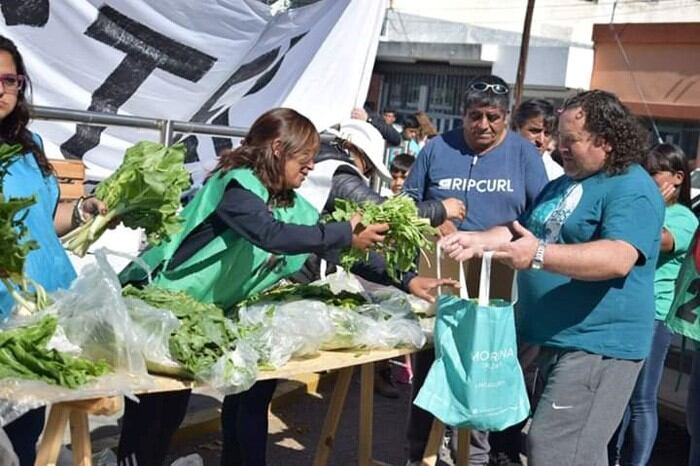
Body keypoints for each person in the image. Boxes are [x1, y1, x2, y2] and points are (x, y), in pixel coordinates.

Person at [117, 108, 389, 466]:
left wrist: (409, 280)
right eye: (304, 158)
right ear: (278, 148)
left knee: (168, 416)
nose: (311, 167)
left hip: (188, 320)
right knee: (149, 423)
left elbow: (330, 240)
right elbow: (270, 234)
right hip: (157, 309)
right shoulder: (237, 184)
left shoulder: (286, 202)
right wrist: (342, 232)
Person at [441, 89, 665, 466]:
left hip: (597, 344)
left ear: (605, 142)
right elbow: (525, 233)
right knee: (570, 452)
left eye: (570, 140)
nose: (558, 147)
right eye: (557, 137)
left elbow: (617, 257)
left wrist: (540, 256)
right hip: (558, 341)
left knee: (553, 449)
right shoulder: (567, 181)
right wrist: (480, 240)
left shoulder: (632, 188)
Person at [402, 75, 547, 466]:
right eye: (474, 116)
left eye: (493, 117)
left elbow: (543, 217)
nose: (483, 125)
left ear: (507, 117)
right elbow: (403, 205)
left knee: (483, 374)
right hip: (441, 278)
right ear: (462, 115)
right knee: (434, 373)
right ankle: (420, 456)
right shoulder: (436, 148)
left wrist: (491, 240)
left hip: (498, 282)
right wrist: (432, 219)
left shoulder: (524, 156)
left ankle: (476, 458)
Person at [295, 119, 462, 398]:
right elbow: (381, 213)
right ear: (350, 147)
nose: (367, 171)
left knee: (252, 397)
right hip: (284, 277)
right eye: (368, 164)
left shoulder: (318, 171)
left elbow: (334, 246)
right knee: (252, 397)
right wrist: (439, 210)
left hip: (287, 275)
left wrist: (406, 279)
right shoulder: (336, 172)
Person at [0, 35, 108, 465]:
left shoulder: (32, 146)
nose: (0, 90)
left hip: (44, 312)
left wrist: (83, 211)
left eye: (9, 80)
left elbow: (43, 222)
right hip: (3, 315)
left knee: (25, 438)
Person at [609, 143, 697, 466]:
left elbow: (658, 239)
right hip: (627, 313)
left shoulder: (683, 217)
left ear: (676, 178)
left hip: (655, 316)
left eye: (653, 173)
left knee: (642, 400)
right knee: (618, 399)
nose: (647, 180)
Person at [511, 98, 564, 181]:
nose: (541, 140)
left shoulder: (556, 176)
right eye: (535, 131)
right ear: (516, 129)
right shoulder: (493, 162)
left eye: (547, 133)